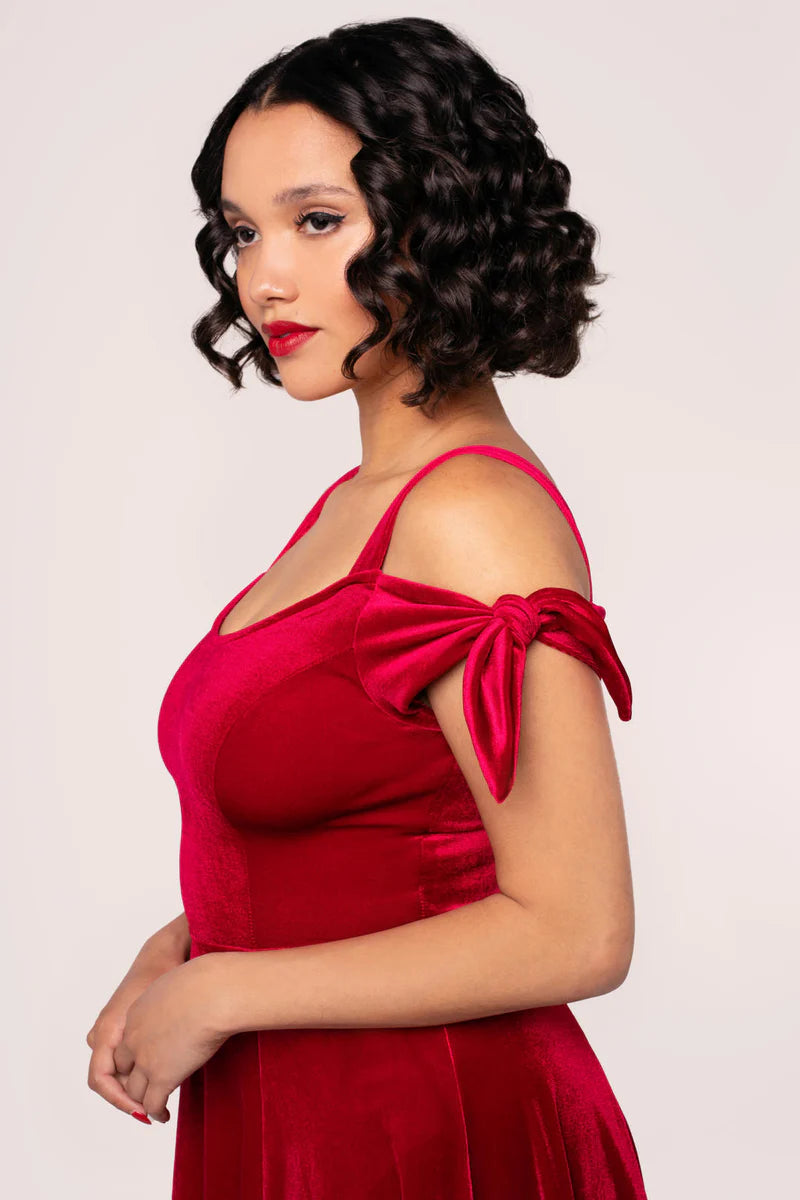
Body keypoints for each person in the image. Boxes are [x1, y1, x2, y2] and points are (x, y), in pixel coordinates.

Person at [86, 16, 648, 1198]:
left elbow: (576, 927)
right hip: (304, 1122)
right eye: (242, 231)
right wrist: (180, 948)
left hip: (433, 1134)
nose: (262, 277)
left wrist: (223, 990)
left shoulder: (471, 518)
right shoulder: (359, 506)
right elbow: (368, 850)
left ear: (439, 224)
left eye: (316, 221)